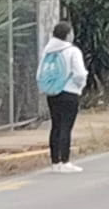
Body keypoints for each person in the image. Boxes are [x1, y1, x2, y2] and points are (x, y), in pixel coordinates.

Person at [37, 21, 87, 173]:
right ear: (67, 35)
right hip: (70, 92)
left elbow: (40, 72)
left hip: (53, 92)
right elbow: (79, 73)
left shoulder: (48, 51)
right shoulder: (72, 51)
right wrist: (80, 85)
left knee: (56, 125)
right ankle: (65, 161)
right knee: (66, 126)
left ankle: (55, 162)